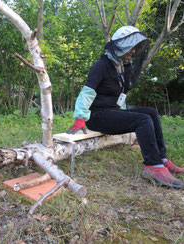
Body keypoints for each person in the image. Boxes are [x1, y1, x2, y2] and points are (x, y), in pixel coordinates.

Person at [67, 25, 184, 189]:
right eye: (130, 46)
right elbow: (87, 92)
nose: (133, 51)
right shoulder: (101, 66)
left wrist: (123, 116)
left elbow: (119, 96)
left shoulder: (123, 67)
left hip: (112, 113)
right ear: (119, 45)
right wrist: (80, 118)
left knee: (150, 112)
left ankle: (162, 159)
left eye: (135, 47)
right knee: (142, 120)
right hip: (97, 116)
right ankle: (153, 167)